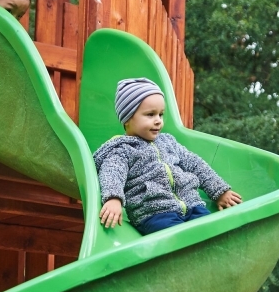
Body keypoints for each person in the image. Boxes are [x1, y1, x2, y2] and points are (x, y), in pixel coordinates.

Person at [93, 78, 242, 234]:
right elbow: (112, 173)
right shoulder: (123, 149)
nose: (158, 121)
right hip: (154, 214)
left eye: (161, 114)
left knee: (212, 230)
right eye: (150, 115)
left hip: (192, 205)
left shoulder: (168, 142)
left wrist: (219, 191)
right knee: (177, 237)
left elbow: (195, 164)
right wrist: (113, 198)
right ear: (128, 118)